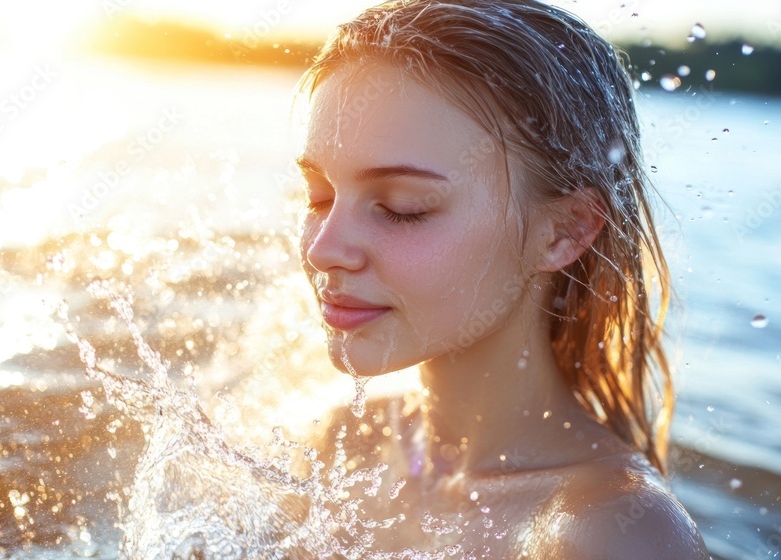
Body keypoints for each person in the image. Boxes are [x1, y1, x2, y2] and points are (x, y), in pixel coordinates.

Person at [292, 0, 710, 557]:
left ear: (564, 231)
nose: (323, 250)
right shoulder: (341, 444)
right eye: (320, 196)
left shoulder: (610, 530)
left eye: (403, 206)